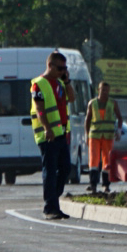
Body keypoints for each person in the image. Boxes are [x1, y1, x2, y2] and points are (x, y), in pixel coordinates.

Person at [30, 51, 75, 219]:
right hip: (48, 135)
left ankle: (53, 201)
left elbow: (72, 98)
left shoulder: (60, 83)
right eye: (60, 68)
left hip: (62, 134)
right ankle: (50, 208)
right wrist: (47, 128)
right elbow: (40, 109)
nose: (62, 71)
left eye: (65, 68)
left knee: (65, 168)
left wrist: (67, 81)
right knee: (49, 171)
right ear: (50, 66)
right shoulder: (39, 84)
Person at [85, 80, 122, 194]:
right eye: (102, 89)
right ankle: (93, 184)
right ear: (98, 90)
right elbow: (88, 119)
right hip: (94, 135)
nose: (104, 92)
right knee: (94, 160)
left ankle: (106, 185)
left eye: (106, 90)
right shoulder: (92, 103)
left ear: (109, 91)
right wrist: (87, 134)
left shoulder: (113, 103)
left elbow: (120, 118)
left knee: (107, 160)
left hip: (108, 136)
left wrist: (119, 131)